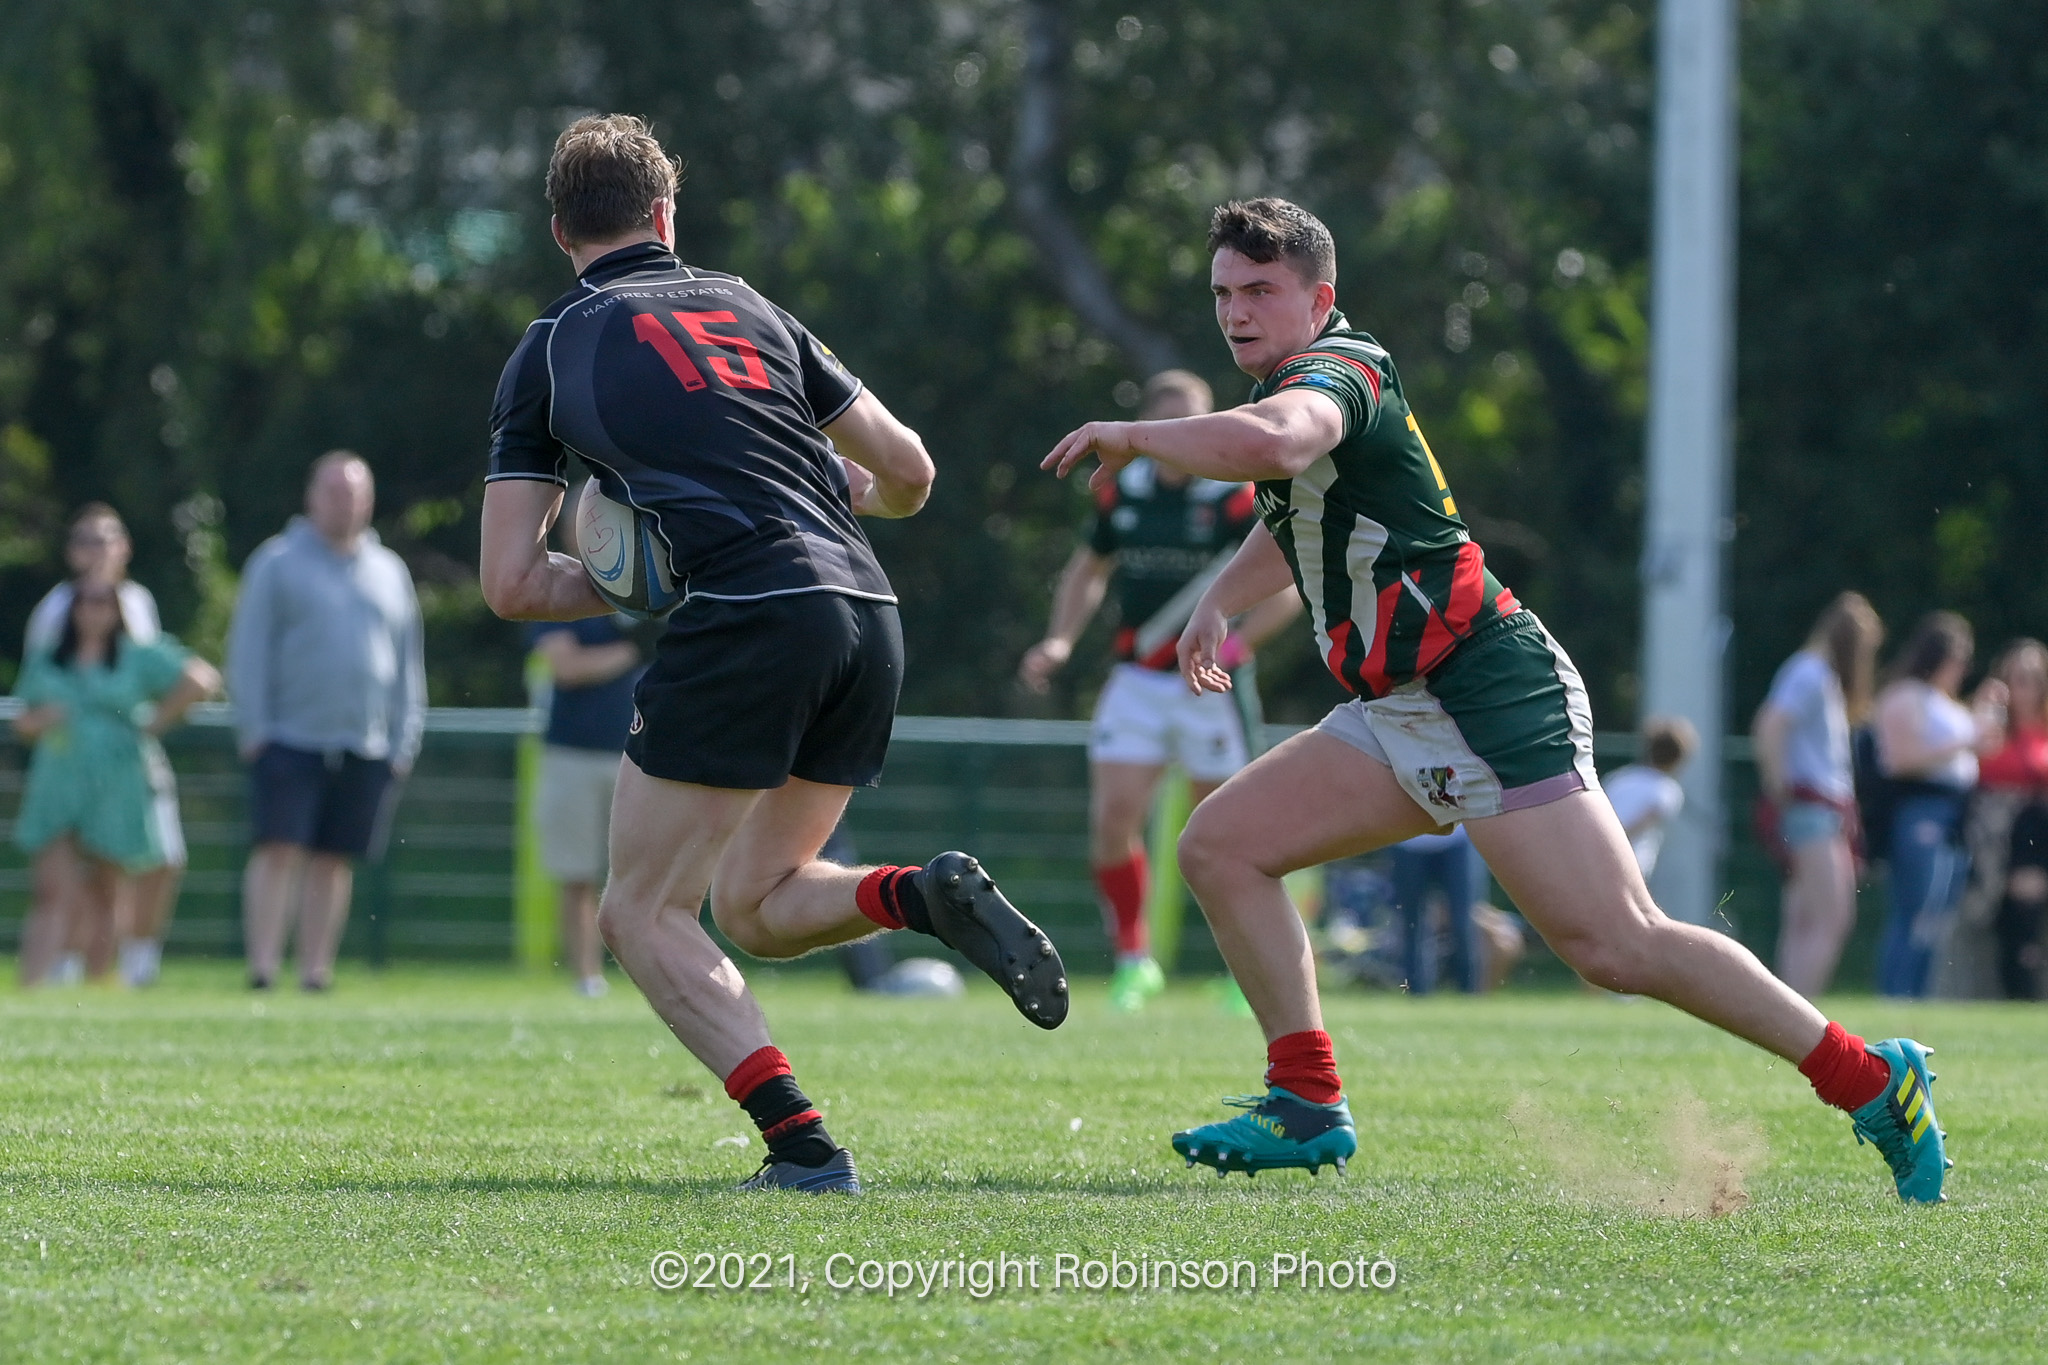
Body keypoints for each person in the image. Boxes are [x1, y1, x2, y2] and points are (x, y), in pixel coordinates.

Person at [1042, 197, 1949, 1203]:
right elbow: (1294, 507)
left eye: (1259, 291)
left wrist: (1135, 432)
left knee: (1616, 944)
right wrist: (1217, 597)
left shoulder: (1338, 370)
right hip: (1398, 707)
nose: (1235, 312)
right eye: (1221, 293)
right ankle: (1304, 1103)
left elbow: (1280, 446)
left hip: (1488, 683)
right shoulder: (1286, 383)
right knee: (1219, 846)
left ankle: (1871, 1080)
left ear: (1319, 298)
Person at [478, 115, 1070, 1195]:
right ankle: (914, 895)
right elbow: (911, 471)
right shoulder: (752, 305)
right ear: (666, 214)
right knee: (755, 904)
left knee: (637, 911)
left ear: (560, 228)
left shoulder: (552, 344)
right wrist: (857, 499)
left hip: (747, 618)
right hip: (864, 609)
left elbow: (512, 584)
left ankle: (801, 1146)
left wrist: (626, 578)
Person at [1018, 369, 1300, 1011]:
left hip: (1213, 685)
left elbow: (1284, 586)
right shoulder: (1124, 491)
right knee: (1113, 821)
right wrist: (1060, 640)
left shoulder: (1237, 496)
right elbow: (1088, 568)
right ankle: (1133, 960)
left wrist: (1235, 646)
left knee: (1229, 833)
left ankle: (1246, 967)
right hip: (1137, 681)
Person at [226, 451, 425, 992]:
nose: (347, 501)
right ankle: (263, 968)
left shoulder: (390, 571)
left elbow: (408, 662)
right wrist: (255, 730)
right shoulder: (277, 561)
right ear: (311, 495)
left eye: (356, 491)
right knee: (279, 850)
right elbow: (248, 652)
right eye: (335, 491)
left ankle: (316, 971)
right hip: (287, 736)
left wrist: (403, 741)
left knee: (333, 859)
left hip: (365, 742)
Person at [12, 581, 218, 985]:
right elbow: (24, 719)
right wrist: (44, 720)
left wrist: (155, 719)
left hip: (117, 780)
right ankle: (42, 978)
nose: (95, 612)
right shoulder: (50, 658)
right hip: (59, 779)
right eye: (86, 604)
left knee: (106, 886)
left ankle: (95, 981)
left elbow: (201, 679)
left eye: (105, 604)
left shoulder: (136, 656)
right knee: (53, 887)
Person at [24, 504, 188, 988]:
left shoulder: (139, 602)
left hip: (128, 758)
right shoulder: (56, 607)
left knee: (152, 860)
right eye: (86, 541)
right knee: (70, 877)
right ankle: (67, 969)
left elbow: (155, 669)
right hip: (71, 761)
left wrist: (151, 724)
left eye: (106, 539)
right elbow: (44, 682)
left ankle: (129, 964)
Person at [529, 495, 646, 998]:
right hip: (573, 752)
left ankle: (651, 975)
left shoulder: (648, 588)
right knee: (577, 872)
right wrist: (632, 650)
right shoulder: (555, 586)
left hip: (640, 757)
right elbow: (567, 668)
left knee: (643, 877)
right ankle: (587, 978)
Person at [1752, 594, 1884, 998]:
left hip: (1814, 810)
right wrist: (1779, 788)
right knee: (1832, 917)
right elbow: (1771, 725)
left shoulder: (1813, 672)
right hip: (1813, 808)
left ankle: (1785, 1013)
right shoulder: (1809, 672)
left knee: (1803, 920)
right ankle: (1802, 1018)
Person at [1872, 612, 1997, 999]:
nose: (1963, 668)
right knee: (1915, 910)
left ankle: (1917, 995)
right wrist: (1967, 738)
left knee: (1938, 916)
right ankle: (1895, 994)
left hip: (1957, 813)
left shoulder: (1945, 702)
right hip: (1922, 808)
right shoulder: (1906, 694)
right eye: (1958, 659)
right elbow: (1898, 759)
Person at [1952, 639, 2048, 999]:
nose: (2022, 688)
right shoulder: (1989, 727)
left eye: (2032, 679)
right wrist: (1984, 708)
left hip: (2034, 842)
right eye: (2015, 678)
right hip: (1990, 836)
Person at [1605, 715, 1698, 884]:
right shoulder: (1667, 791)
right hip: (1629, 865)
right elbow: (1637, 826)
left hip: (1595, 857)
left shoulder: (1620, 777)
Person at [1386, 827, 1479, 995]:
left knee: (1463, 922)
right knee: (1412, 923)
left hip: (1457, 840)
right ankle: (1416, 992)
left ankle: (1469, 992)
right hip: (1407, 842)